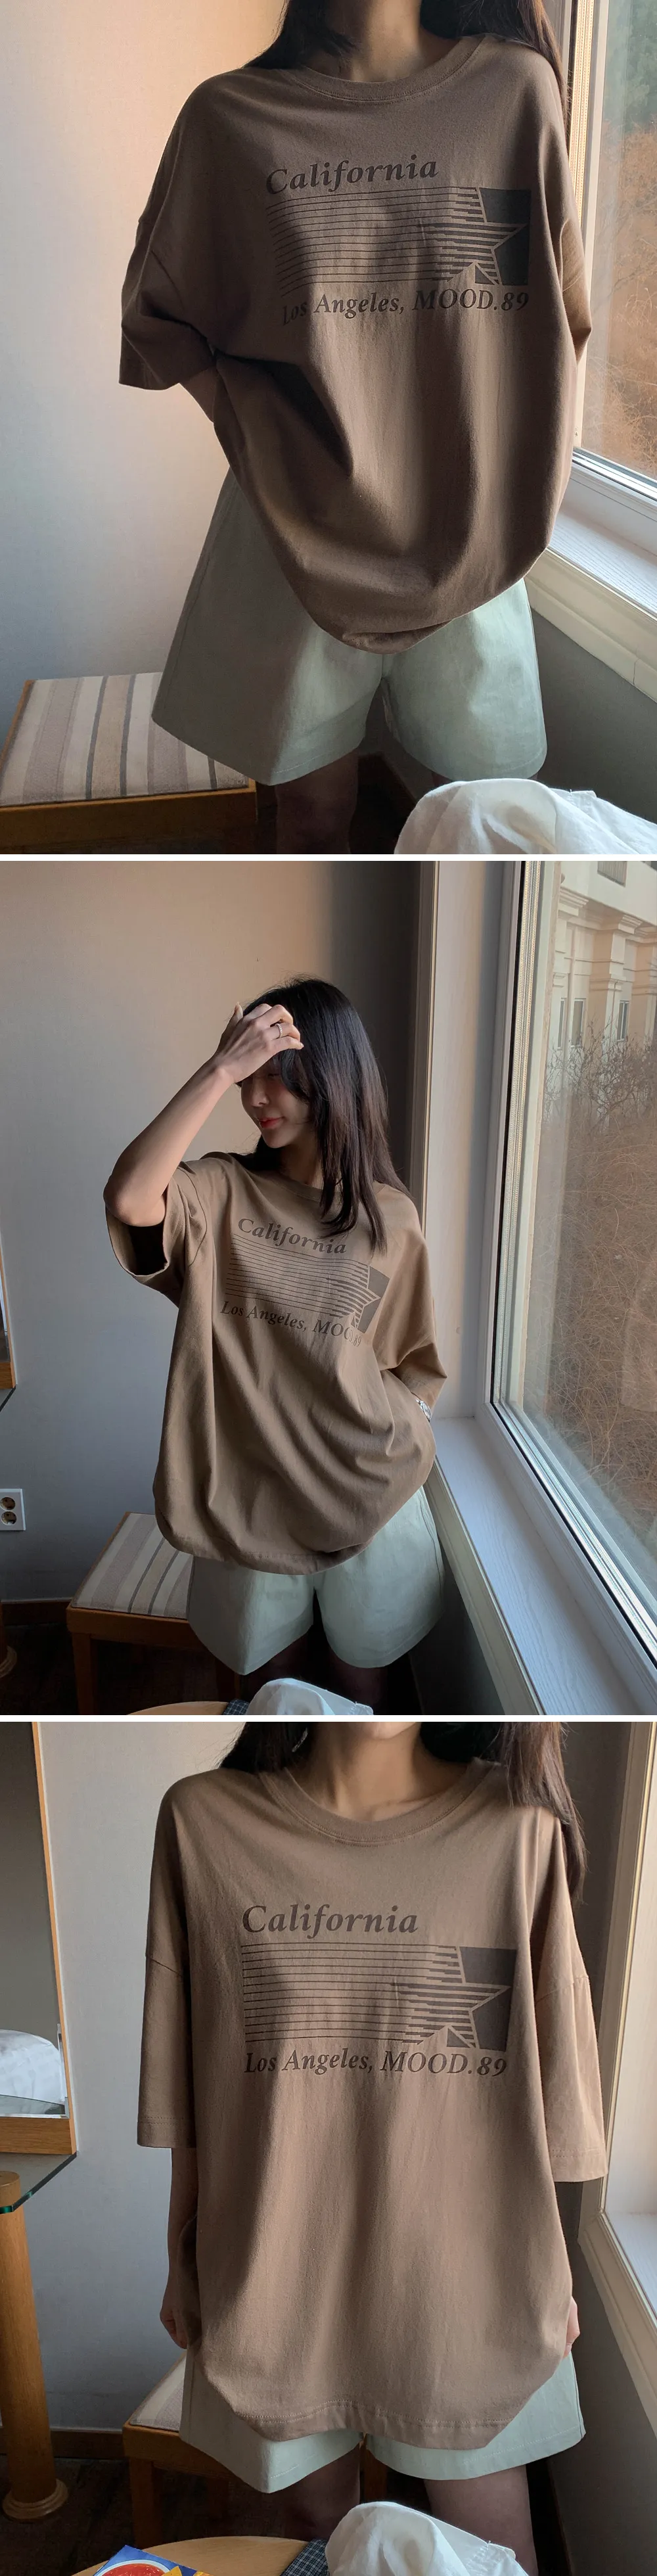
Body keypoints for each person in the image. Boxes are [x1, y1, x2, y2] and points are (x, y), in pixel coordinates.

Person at [139, 1718, 608, 2576]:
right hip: (274, 2269)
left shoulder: (517, 1833)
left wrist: (555, 2270)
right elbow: (193, 2086)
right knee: (309, 2536)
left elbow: (555, 2094)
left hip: (467, 2277)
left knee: (492, 2548)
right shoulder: (203, 1823)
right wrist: (181, 2254)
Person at [120, 1, 591, 854]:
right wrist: (257, 434)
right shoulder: (230, 118)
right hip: (294, 531)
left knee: (488, 819)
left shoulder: (514, 92)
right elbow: (160, 317)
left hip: (474, 532)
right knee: (310, 815)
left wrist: (524, 475)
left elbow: (560, 317)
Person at [103, 979, 445, 1708]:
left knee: (363, 1692)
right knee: (267, 1695)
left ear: (332, 1077)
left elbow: (408, 1357)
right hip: (249, 1500)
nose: (256, 1097)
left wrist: (412, 1418)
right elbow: (131, 1198)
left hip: (367, 1489)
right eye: (247, 1076)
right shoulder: (218, 1192)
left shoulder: (390, 1219)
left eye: (277, 1076)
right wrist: (217, 1069)